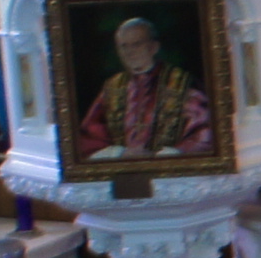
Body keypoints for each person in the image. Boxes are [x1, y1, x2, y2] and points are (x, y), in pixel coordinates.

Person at [76, 12, 216, 163]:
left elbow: (204, 132)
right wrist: (120, 153)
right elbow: (89, 135)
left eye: (136, 44)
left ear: (154, 47)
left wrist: (169, 154)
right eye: (123, 46)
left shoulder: (182, 83)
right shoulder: (112, 87)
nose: (129, 52)